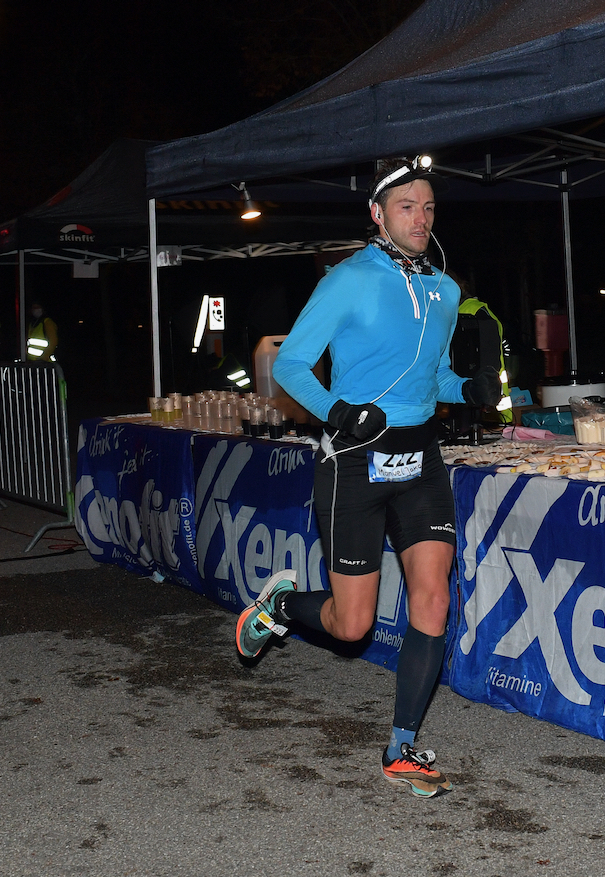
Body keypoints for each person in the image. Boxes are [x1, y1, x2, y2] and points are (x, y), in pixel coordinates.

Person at [239, 156, 501, 798]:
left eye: (429, 207)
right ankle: (277, 605)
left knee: (433, 597)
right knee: (352, 627)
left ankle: (402, 746)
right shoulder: (348, 281)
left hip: (421, 462)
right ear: (378, 214)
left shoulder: (443, 289)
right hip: (353, 460)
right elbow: (291, 364)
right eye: (407, 206)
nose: (421, 217)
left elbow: (434, 375)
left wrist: (472, 389)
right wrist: (338, 412)